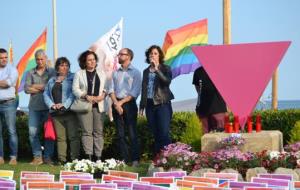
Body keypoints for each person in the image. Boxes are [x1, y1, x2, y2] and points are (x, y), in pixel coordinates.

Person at [43, 57, 80, 164]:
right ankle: (62, 160)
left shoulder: (73, 77)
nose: (65, 67)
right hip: (56, 113)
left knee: (73, 137)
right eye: (62, 65)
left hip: (70, 112)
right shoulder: (51, 80)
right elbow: (46, 94)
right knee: (60, 138)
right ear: (57, 67)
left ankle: (75, 160)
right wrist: (52, 105)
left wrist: (64, 105)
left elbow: (74, 93)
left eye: (66, 65)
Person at [72, 50, 107, 161]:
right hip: (85, 105)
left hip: (99, 106)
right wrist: (86, 96)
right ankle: (88, 158)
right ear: (84, 62)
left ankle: (98, 158)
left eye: (93, 59)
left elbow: (107, 87)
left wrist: (102, 95)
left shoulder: (102, 73)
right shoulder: (79, 73)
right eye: (89, 60)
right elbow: (75, 89)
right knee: (87, 132)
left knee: (98, 132)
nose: (92, 62)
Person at [139, 45, 174, 156]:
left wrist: (157, 69)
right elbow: (144, 88)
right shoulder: (145, 71)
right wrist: (142, 105)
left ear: (159, 56)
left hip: (163, 104)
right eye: (150, 54)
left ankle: (167, 158)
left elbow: (167, 82)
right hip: (149, 105)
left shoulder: (165, 68)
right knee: (155, 133)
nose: (152, 55)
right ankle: (158, 158)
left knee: (164, 133)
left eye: (155, 53)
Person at [109, 48, 141, 166]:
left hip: (129, 104)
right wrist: (116, 103)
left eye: (121, 54)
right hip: (116, 103)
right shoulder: (115, 72)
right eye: (119, 54)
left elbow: (135, 92)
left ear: (128, 56)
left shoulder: (136, 72)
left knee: (132, 133)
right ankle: (124, 159)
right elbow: (110, 89)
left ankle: (135, 160)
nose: (119, 56)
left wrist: (120, 103)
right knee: (120, 134)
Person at [25, 49, 56, 165]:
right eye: (37, 59)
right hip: (34, 107)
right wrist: (43, 87)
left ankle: (47, 157)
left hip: (49, 107)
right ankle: (37, 157)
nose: (40, 61)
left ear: (46, 58)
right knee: (32, 132)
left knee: (49, 133)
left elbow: (51, 86)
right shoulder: (30, 72)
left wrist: (35, 86)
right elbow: (27, 89)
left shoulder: (52, 71)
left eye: (42, 59)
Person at [192, 66, 227, 133]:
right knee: (206, 135)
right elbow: (198, 90)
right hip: (203, 108)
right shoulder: (198, 71)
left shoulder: (220, 69)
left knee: (221, 133)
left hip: (218, 107)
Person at [0, 48, 18, 165]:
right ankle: (0, 157)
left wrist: (5, 82)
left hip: (9, 104)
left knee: (11, 131)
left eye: (5, 57)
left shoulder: (12, 69)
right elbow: (4, 82)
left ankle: (13, 157)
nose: (4, 60)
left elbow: (8, 84)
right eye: (1, 58)